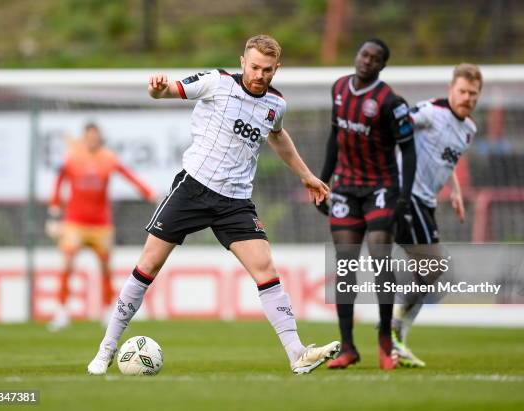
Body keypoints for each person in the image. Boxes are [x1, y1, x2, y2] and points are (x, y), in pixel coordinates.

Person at [87, 34, 340, 376]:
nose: (259, 75)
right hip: (192, 189)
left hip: (235, 201)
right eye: (254, 67)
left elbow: (278, 136)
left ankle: (297, 352)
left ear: (276, 69)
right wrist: (157, 88)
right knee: (149, 263)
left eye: (267, 69)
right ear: (242, 63)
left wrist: (306, 175)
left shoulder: (276, 105)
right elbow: (167, 91)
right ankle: (106, 350)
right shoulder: (216, 83)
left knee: (265, 268)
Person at [316, 39, 417, 370]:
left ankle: (385, 341)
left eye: (375, 59)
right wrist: (322, 181)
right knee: (345, 267)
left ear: (382, 66)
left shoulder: (391, 102)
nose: (367, 61)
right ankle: (348, 347)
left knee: (379, 259)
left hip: (380, 188)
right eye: (364, 54)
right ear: (356, 56)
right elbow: (335, 136)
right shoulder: (339, 89)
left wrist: (403, 195)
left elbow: (408, 149)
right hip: (345, 188)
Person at [392, 63, 483, 367]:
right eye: (462, 91)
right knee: (434, 264)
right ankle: (393, 331)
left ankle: (395, 334)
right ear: (450, 90)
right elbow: (399, 126)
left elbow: (448, 160)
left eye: (473, 93)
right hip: (406, 196)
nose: (467, 97)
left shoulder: (469, 129)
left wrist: (455, 190)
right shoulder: (431, 112)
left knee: (431, 270)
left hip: (426, 202)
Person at [47, 123, 156, 331]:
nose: (92, 140)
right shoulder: (73, 157)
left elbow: (128, 175)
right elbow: (59, 181)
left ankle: (108, 311)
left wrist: (147, 192)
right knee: (67, 264)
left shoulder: (108, 158)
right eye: (89, 136)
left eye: (95, 136)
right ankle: (61, 311)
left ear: (100, 138)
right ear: (84, 138)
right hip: (75, 222)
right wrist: (54, 210)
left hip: (101, 223)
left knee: (106, 269)